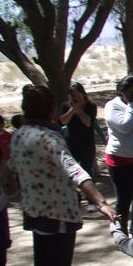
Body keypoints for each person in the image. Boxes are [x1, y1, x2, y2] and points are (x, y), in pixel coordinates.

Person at [2, 84, 115, 266]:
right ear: (51, 109)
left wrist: (9, 185)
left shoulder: (19, 134)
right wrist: (101, 202)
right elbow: (76, 171)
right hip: (58, 215)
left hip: (35, 213)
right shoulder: (48, 138)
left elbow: (10, 169)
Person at [104, 75, 133, 235]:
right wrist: (132, 105)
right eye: (131, 91)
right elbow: (125, 126)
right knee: (124, 200)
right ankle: (121, 234)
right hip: (119, 161)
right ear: (122, 91)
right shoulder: (112, 106)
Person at [60, 82, 99, 211]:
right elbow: (63, 121)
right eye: (72, 95)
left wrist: (80, 109)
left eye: (77, 95)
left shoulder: (91, 106)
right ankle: (72, 199)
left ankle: (91, 201)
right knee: (69, 172)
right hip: (71, 143)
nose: (75, 98)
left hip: (87, 143)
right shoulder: (65, 106)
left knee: (87, 170)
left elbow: (88, 122)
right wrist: (72, 109)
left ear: (82, 94)